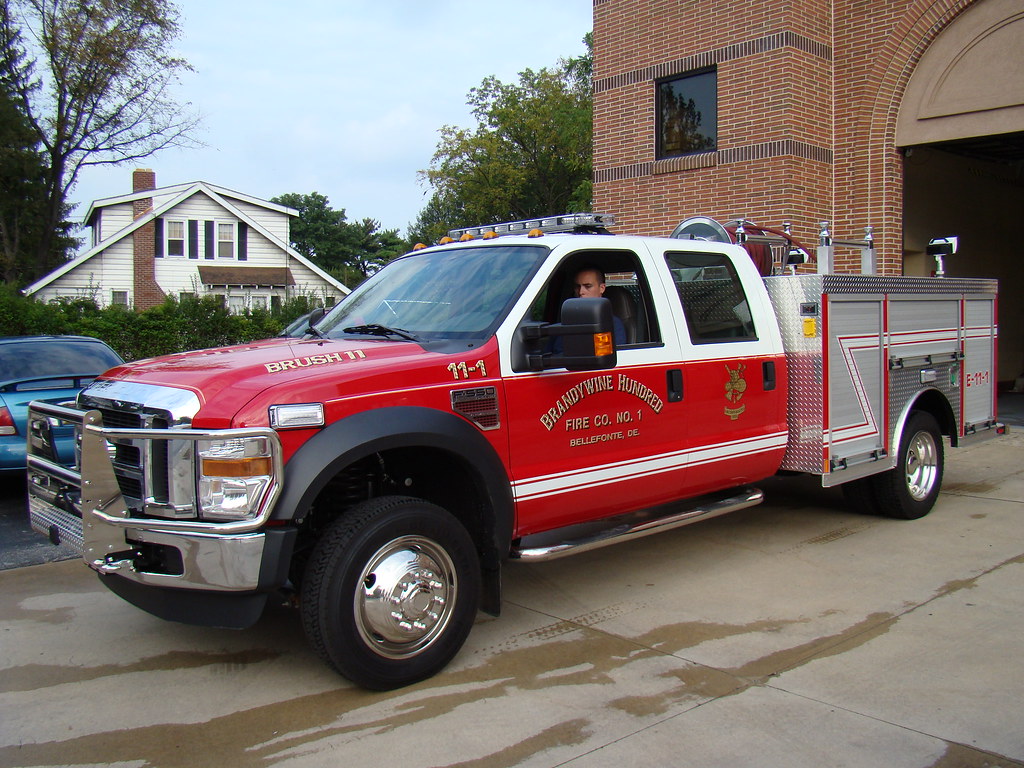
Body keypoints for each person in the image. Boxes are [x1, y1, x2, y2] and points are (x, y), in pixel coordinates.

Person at [572, 267, 627, 346]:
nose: (581, 292)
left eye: (588, 286)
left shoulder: (612, 324)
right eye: (578, 287)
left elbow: (612, 356)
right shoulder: (567, 322)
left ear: (602, 288)